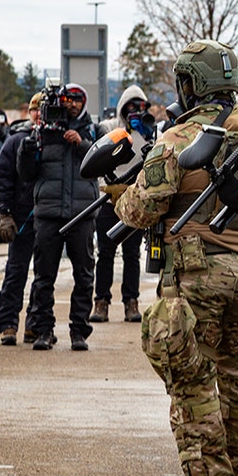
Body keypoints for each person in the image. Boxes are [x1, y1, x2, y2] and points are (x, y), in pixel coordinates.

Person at [116, 40, 238, 476]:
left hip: (196, 272)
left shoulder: (176, 141)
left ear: (190, 84)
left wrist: (116, 191)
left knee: (192, 386)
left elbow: (140, 210)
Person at [17, 83, 98, 351]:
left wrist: (82, 144)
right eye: (67, 99)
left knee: (84, 275)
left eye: (77, 99)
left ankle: (79, 331)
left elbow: (102, 164)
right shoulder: (43, 131)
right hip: (49, 213)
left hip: (82, 212)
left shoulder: (93, 131)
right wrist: (27, 150)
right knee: (43, 276)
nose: (71, 104)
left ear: (84, 102)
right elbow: (26, 174)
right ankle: (43, 330)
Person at [91, 85, 153, 323]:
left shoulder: (148, 132)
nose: (135, 111)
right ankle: (102, 302)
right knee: (105, 253)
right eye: (131, 106)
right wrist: (104, 189)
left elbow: (149, 161)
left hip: (133, 199)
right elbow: (98, 157)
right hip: (109, 199)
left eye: (140, 106)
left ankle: (131, 302)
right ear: (122, 107)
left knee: (131, 255)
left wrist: (144, 132)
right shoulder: (109, 128)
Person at [0, 93, 42, 346]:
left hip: (47, 218)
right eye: (34, 110)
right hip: (20, 217)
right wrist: (4, 213)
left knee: (43, 276)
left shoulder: (55, 141)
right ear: (29, 113)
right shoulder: (14, 141)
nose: (38, 115)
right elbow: (2, 180)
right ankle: (8, 324)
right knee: (16, 272)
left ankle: (34, 324)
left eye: (42, 110)